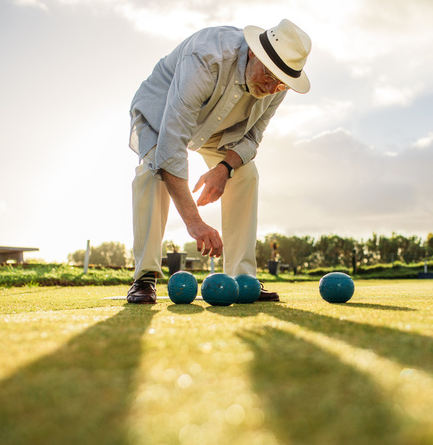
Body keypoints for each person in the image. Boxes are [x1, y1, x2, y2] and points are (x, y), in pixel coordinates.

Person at [126, 19, 312, 304]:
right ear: (253, 53)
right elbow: (172, 145)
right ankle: (145, 276)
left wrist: (224, 169)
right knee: (153, 171)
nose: (272, 85)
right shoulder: (207, 57)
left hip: (222, 128)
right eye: (269, 74)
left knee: (246, 174)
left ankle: (243, 277)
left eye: (281, 82)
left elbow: (253, 136)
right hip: (161, 114)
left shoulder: (278, 85)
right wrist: (194, 222)